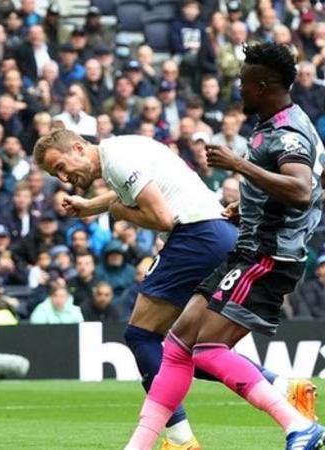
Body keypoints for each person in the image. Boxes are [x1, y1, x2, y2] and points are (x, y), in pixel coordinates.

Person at [34, 115, 315, 448]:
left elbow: (160, 216)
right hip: (213, 233)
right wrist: (92, 206)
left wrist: (119, 213)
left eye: (62, 167)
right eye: (57, 176)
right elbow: (132, 194)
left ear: (79, 147)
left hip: (195, 236)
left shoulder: (118, 160)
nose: (65, 178)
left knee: (142, 336)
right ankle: (284, 388)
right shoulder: (119, 151)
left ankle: (180, 438)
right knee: (191, 350)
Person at [124, 42, 325, 450]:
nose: (238, 89)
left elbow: (302, 189)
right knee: (179, 345)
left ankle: (297, 425)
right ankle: (140, 445)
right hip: (251, 245)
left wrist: (238, 165)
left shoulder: (286, 132)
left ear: (263, 85)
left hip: (269, 256)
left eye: (244, 82)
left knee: (208, 349)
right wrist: (248, 206)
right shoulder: (281, 121)